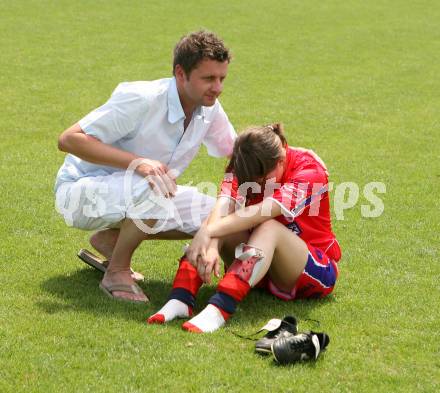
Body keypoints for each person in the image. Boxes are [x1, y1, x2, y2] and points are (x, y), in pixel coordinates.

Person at [55, 31, 236, 303]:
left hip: (142, 195)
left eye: (221, 78)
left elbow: (236, 153)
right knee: (155, 184)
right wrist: (137, 163)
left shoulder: (209, 108)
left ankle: (111, 241)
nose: (217, 87)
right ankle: (116, 272)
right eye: (208, 78)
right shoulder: (142, 98)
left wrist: (287, 158)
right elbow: (69, 139)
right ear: (180, 73)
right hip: (80, 194)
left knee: (219, 215)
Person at [148, 123, 341, 333]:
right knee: (214, 217)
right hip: (262, 268)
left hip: (313, 272)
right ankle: (181, 297)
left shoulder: (309, 170)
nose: (255, 186)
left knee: (268, 226)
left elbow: (261, 212)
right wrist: (211, 242)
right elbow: (224, 204)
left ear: (281, 161)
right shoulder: (243, 161)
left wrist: (208, 231)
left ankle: (220, 308)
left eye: (262, 180)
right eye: (249, 181)